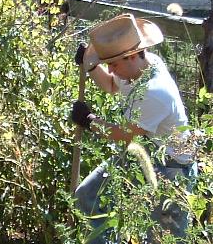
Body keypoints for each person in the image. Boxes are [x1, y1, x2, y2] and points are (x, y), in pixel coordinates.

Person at [70, 14, 196, 243]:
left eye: (113, 64)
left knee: (162, 238)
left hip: (173, 167)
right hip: (146, 153)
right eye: (107, 63)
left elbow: (124, 135)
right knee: (87, 195)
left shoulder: (155, 91)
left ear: (131, 56)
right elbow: (110, 85)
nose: (111, 70)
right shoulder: (138, 69)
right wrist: (91, 66)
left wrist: (89, 120)